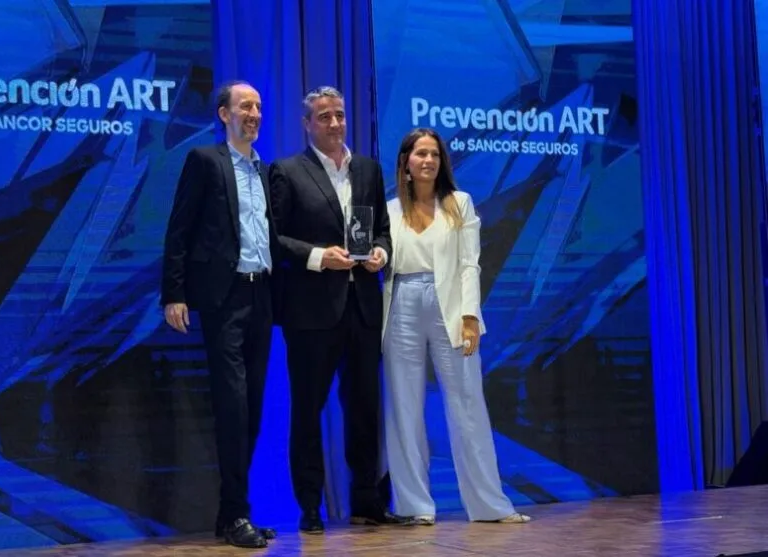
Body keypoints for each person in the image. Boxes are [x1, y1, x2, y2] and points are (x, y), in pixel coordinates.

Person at [380, 127, 531, 526]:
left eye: (434, 154)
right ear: (405, 163)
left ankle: (489, 505)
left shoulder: (460, 203)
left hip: (450, 306)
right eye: (421, 154)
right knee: (404, 407)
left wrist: (469, 316)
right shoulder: (389, 209)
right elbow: (381, 257)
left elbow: (469, 265)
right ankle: (414, 506)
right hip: (401, 303)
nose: (428, 160)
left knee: (467, 403)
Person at [270, 86, 401, 533]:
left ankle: (367, 499)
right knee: (308, 411)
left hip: (362, 308)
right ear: (306, 124)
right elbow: (274, 239)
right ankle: (310, 507)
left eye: (340, 115)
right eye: (324, 116)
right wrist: (318, 256)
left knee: (365, 409)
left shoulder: (368, 169)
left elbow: (381, 230)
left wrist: (381, 252)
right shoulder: (287, 171)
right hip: (311, 313)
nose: (334, 123)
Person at [161, 80, 278, 548]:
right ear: (224, 114)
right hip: (222, 300)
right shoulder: (205, 160)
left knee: (253, 411)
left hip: (261, 297)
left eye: (259, 106)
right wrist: (174, 294)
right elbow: (179, 230)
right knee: (233, 407)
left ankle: (232, 512)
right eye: (245, 106)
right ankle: (236, 515)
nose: (254, 113)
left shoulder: (265, 170)